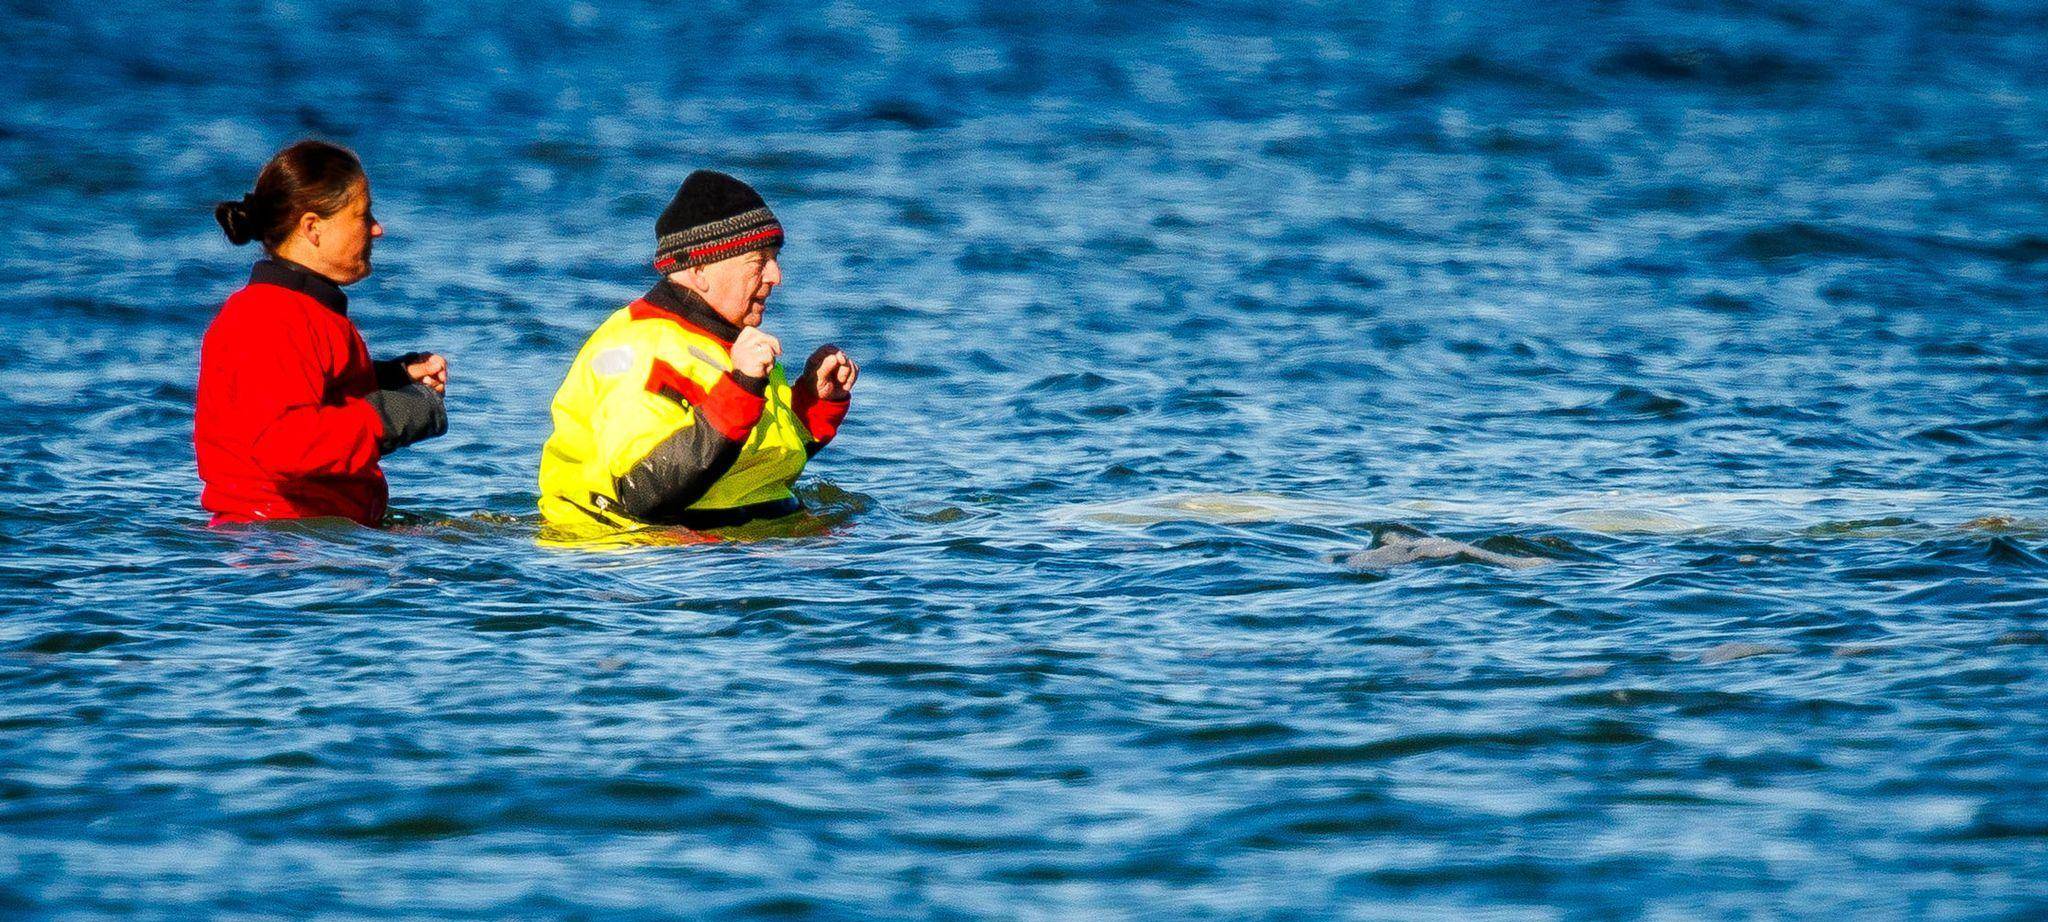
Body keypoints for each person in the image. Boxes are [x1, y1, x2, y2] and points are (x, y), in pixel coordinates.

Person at [538, 170, 857, 531]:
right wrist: (742, 389)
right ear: (701, 269)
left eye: (776, 258)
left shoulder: (730, 343)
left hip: (741, 549)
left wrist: (813, 404)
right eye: (759, 261)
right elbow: (646, 490)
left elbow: (751, 462)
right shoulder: (639, 349)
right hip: (653, 565)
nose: (775, 276)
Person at [195, 140, 449, 527]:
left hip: (309, 535)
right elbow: (285, 445)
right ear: (312, 227)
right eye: (363, 216)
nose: (377, 229)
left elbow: (310, 386)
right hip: (278, 548)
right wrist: (390, 416)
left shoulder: (301, 310)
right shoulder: (268, 317)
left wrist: (394, 378)